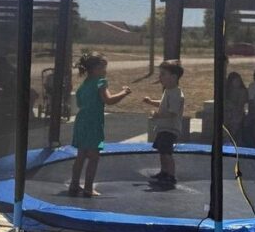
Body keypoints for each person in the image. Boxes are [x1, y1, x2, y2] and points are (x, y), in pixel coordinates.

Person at [70, 53, 131, 197]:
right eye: (104, 68)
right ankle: (88, 188)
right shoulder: (100, 82)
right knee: (94, 156)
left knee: (81, 155)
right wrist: (124, 92)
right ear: (96, 68)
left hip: (81, 120)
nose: (105, 71)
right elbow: (108, 100)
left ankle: (74, 184)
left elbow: (79, 102)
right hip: (93, 121)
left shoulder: (85, 84)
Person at [143, 60, 185, 184]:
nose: (160, 77)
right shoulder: (168, 91)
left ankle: (171, 175)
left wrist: (157, 115)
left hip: (170, 128)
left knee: (167, 152)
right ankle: (164, 171)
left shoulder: (177, 94)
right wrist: (151, 102)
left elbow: (172, 112)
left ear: (173, 77)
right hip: (163, 128)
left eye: (163, 74)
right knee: (162, 151)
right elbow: (163, 104)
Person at [222, 71, 248, 143]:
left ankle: (232, 138)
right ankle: (227, 139)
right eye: (236, 80)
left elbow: (239, 106)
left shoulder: (243, 91)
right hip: (228, 112)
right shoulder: (228, 91)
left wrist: (232, 106)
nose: (238, 82)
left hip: (238, 113)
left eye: (239, 80)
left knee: (235, 121)